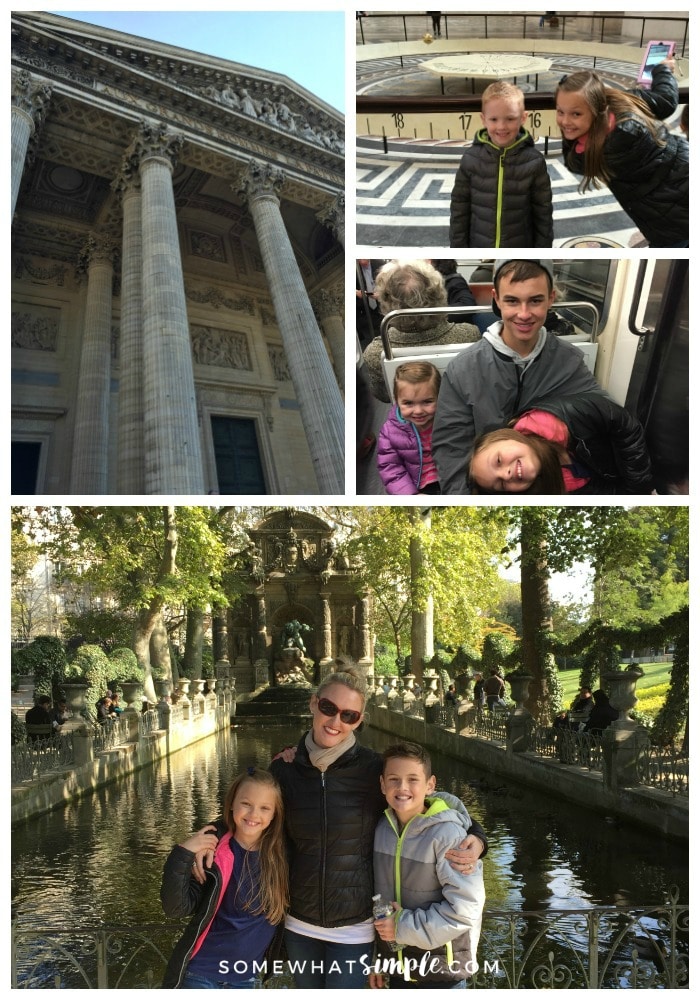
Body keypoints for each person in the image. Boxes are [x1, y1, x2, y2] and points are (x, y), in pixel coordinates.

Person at [262, 662, 487, 989]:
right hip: (300, 922)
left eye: (349, 715)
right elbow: (252, 815)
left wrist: (477, 836)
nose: (336, 720)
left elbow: (429, 802)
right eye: (328, 708)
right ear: (314, 703)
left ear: (359, 721)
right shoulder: (284, 769)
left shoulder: (372, 770)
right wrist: (207, 843)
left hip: (355, 926)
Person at [432, 259, 601, 494]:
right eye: (512, 300)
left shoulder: (569, 361)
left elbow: (603, 422)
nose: (524, 314)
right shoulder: (463, 370)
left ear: (551, 299)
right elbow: (452, 449)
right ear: (497, 298)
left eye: (535, 300)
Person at [370, 742, 485, 989]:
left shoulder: (448, 835)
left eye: (413, 779)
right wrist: (378, 959)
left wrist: (400, 927)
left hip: (442, 971)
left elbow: (465, 909)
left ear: (430, 785)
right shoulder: (381, 829)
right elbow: (380, 899)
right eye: (393, 779)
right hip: (399, 968)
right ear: (382, 784)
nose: (402, 788)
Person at [160, 768, 288, 989]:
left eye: (265, 808)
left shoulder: (282, 856)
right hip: (200, 974)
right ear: (231, 803)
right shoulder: (215, 855)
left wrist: (292, 753)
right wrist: (183, 853)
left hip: (245, 978)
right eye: (246, 804)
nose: (253, 814)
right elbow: (176, 908)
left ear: (275, 813)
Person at [555, 63, 688, 247]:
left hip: (672, 223)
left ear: (597, 110)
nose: (565, 121)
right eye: (560, 111)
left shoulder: (597, 152)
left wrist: (568, 134)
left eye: (576, 113)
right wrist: (662, 70)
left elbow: (572, 161)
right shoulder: (625, 99)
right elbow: (666, 99)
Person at [467, 390, 656, 495]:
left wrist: (639, 488)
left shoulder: (567, 415)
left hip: (652, 451)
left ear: (507, 437)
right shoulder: (550, 488)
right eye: (500, 484)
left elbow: (625, 426)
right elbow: (600, 491)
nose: (506, 475)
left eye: (498, 461)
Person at [449, 81, 553, 248]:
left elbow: (543, 214)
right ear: (484, 119)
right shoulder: (470, 159)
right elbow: (459, 211)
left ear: (523, 118)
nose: (501, 126)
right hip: (479, 245)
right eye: (494, 119)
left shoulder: (534, 162)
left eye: (510, 118)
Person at [363, 260, 480, 403]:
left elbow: (384, 395)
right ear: (439, 294)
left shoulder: (376, 352)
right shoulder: (469, 335)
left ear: (386, 302)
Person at [376, 361, 442, 495]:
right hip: (417, 487)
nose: (418, 411)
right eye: (408, 403)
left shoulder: (448, 420)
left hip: (449, 480)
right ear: (397, 400)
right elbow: (391, 468)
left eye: (427, 402)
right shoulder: (390, 432)